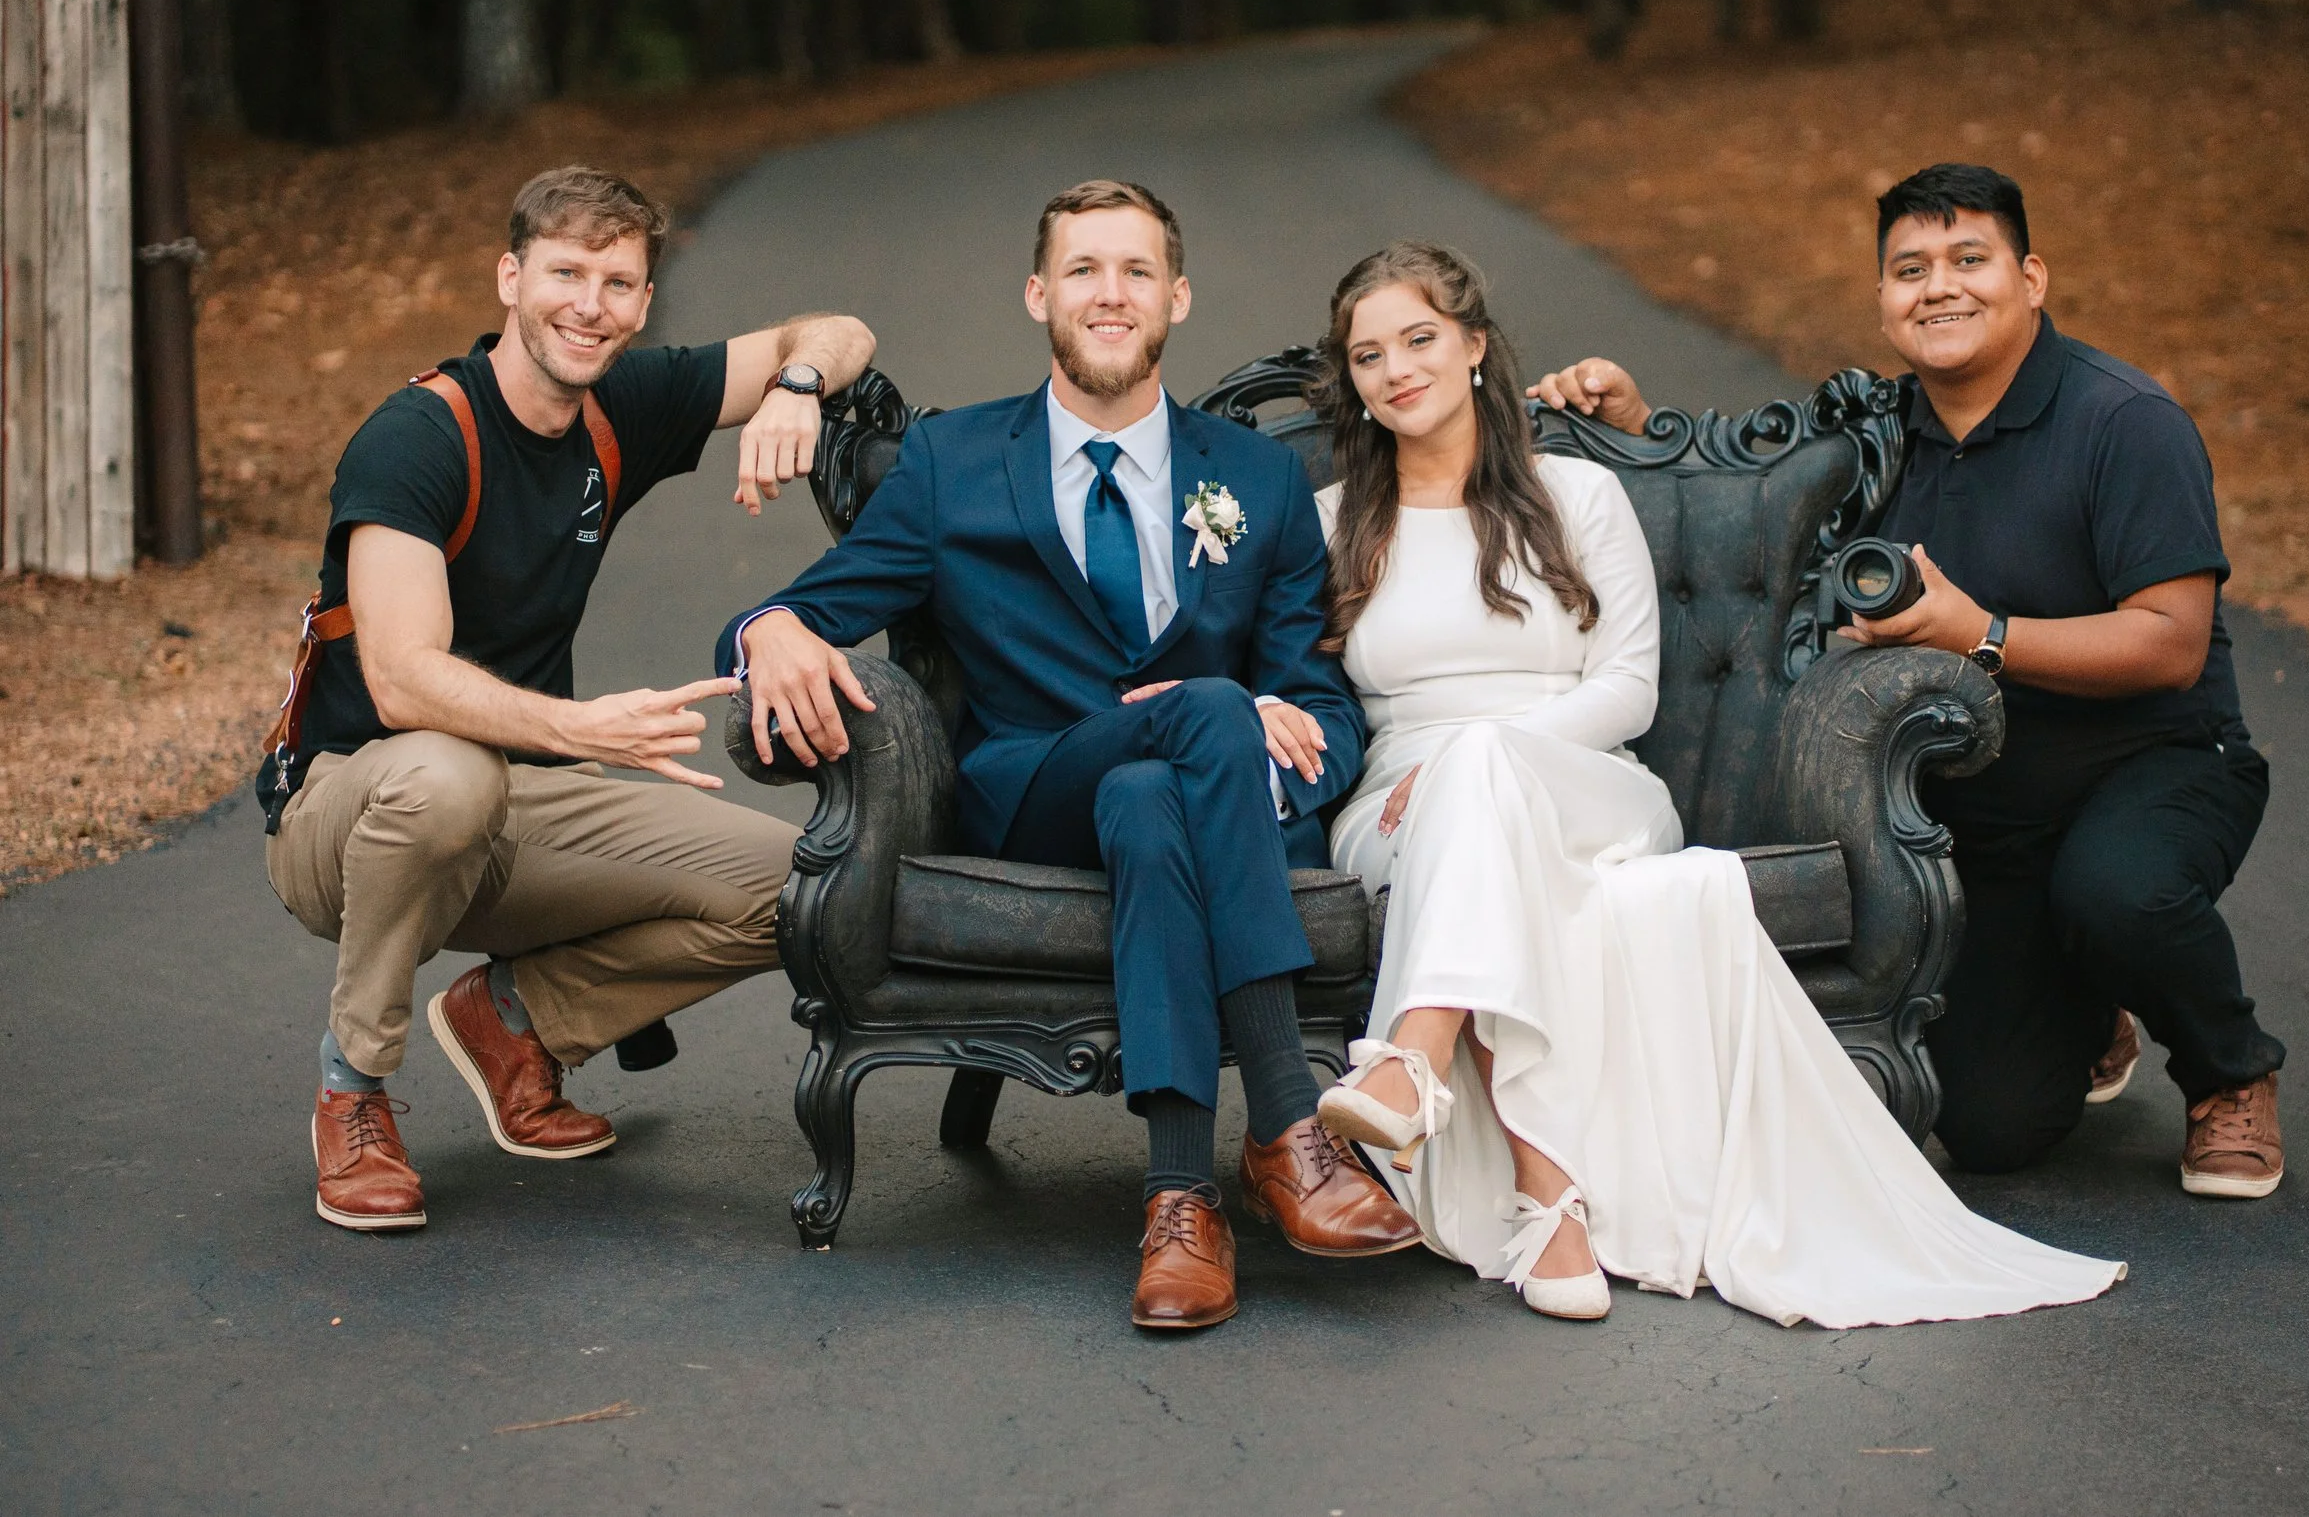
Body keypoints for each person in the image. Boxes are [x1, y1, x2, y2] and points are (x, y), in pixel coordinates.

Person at [1310, 240, 2127, 1327]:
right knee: (1477, 815)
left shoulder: (1581, 493)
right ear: (1353, 382)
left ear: (1472, 346)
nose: (1396, 369)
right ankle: (1547, 1196)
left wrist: (1487, 749)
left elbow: (1629, 688)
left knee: (1487, 773)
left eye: (1418, 338)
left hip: (1590, 783)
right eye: (1369, 355)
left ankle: (1417, 1064)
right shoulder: (1329, 522)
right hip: (1401, 809)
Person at [724, 180, 1420, 1332]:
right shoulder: (953, 462)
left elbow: (1323, 708)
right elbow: (795, 612)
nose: (1111, 292)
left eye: (1137, 270)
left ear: (1176, 298)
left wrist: (1278, 732)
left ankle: (1179, 1201)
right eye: (1085, 269)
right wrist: (770, 628)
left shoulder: (1255, 480)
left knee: (1159, 789)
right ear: (1040, 293)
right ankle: (1292, 1134)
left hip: (1194, 802)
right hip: (1032, 787)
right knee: (1203, 706)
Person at [1533, 161, 2285, 1199]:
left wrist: (1977, 631)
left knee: (2118, 891)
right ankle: (2088, 994)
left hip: (2154, 766)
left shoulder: (2124, 421)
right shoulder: (1876, 435)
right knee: (1985, 1125)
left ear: (2031, 278)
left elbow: (2170, 642)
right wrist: (1630, 429)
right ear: (1883, 299)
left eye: (1968, 259)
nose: (1939, 286)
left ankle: (2227, 1071)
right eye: (1908, 268)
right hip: (1987, 820)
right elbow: (1746, 516)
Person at [261, 165, 877, 1234]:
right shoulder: (418, 436)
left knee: (805, 885)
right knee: (445, 773)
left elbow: (837, 328)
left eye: (619, 282)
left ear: (644, 302)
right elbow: (404, 677)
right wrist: (579, 728)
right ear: (510, 278)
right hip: (352, 810)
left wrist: (796, 387)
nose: (589, 305)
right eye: (565, 273)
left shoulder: (619, 403)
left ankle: (516, 1022)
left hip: (520, 802)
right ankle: (351, 1086)